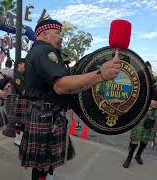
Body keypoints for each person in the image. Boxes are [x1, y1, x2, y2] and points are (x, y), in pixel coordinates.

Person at [19, 19, 120, 180]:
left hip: (45, 112)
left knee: (45, 164)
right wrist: (101, 74)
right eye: (58, 33)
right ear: (45, 34)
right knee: (43, 164)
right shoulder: (45, 51)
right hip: (47, 114)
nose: (61, 37)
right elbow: (61, 85)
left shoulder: (37, 52)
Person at [123, 61, 157, 168]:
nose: (148, 72)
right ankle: (129, 157)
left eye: (149, 70)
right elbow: (131, 98)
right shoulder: (137, 83)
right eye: (145, 70)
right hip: (140, 113)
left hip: (152, 115)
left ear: (151, 71)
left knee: (145, 139)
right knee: (135, 138)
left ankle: (138, 155)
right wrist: (148, 102)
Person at [12, 58, 27, 146]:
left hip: (26, 100)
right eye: (23, 64)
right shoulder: (17, 77)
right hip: (20, 100)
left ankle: (21, 138)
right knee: (19, 121)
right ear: (19, 66)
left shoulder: (25, 75)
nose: (25, 66)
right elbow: (23, 91)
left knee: (24, 121)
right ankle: (17, 139)